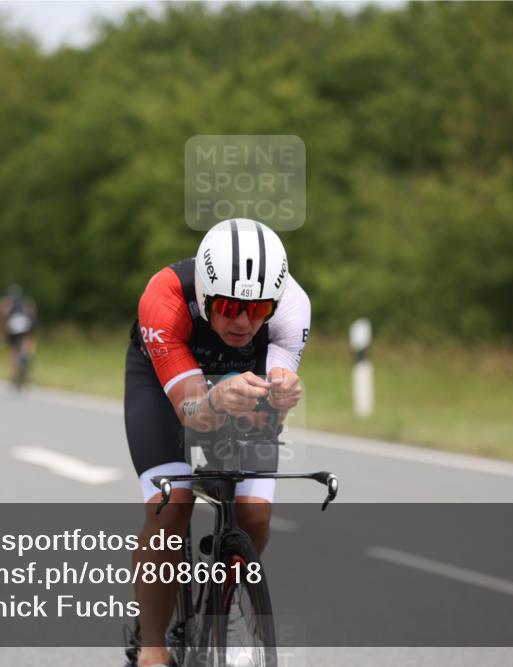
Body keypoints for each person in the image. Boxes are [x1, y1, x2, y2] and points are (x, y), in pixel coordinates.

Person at [123, 218, 310, 667]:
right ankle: (152, 649)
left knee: (255, 513)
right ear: (206, 294)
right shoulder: (163, 299)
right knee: (173, 506)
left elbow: (275, 396)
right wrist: (215, 397)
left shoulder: (292, 306)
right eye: (228, 306)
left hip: (240, 383)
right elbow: (192, 414)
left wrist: (281, 394)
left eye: (259, 309)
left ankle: (223, 603)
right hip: (164, 380)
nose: (244, 322)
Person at [0, 284, 37, 388]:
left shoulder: (4, 303)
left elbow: (1, 318)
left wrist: (1, 334)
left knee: (12, 349)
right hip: (26, 323)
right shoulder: (26, 302)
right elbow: (33, 315)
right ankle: (25, 357)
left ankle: (14, 373)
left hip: (12, 325)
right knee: (26, 343)